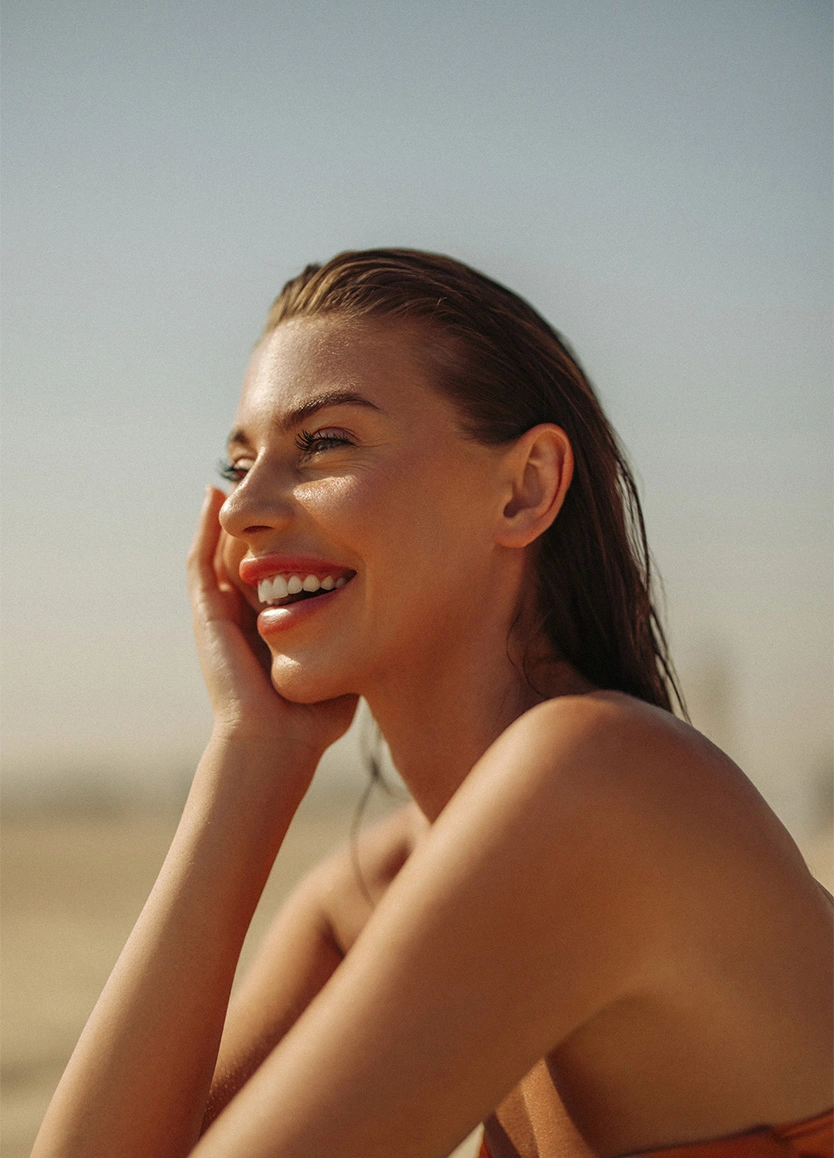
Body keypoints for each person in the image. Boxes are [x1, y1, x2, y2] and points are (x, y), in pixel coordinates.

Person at [33, 249, 832, 1158]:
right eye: (238, 460)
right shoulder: (372, 895)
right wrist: (251, 754)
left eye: (324, 442)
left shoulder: (603, 783)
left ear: (525, 487)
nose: (241, 508)